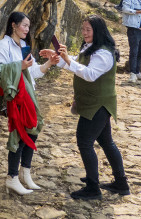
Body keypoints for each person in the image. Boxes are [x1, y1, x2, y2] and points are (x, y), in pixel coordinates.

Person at [51, 15, 129, 200]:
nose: (84, 33)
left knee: (85, 142)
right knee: (106, 142)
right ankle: (121, 183)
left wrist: (68, 60)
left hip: (98, 105)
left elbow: (90, 74)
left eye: (89, 29)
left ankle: (93, 188)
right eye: (83, 29)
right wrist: (59, 59)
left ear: (98, 31)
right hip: (92, 103)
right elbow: (76, 65)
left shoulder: (103, 53)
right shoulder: (90, 47)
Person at [0, 12, 60, 195]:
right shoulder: (3, 45)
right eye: (24, 25)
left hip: (29, 95)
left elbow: (33, 71)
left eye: (28, 26)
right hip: (16, 97)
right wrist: (19, 67)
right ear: (13, 25)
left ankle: (25, 173)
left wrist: (48, 64)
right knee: (19, 136)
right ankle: (12, 178)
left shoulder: (23, 46)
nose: (27, 29)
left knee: (33, 130)